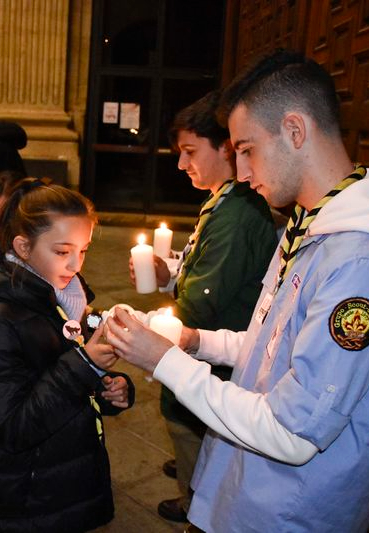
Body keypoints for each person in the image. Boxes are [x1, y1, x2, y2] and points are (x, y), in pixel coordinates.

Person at [105, 49, 369, 532]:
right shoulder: (310, 222)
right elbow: (275, 345)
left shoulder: (367, 263)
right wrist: (195, 342)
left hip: (289, 510)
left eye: (246, 149)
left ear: (294, 130)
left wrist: (164, 361)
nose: (241, 173)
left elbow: (293, 433)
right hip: (246, 486)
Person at [129, 91, 277, 523]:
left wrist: (164, 319)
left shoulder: (237, 215)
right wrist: (172, 275)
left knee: (191, 428)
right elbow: (209, 271)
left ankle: (195, 502)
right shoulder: (224, 203)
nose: (181, 164)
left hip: (217, 353)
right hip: (213, 345)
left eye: (190, 152)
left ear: (225, 148)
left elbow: (205, 301)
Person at [0, 179, 134, 531]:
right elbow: (13, 427)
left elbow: (59, 378)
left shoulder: (65, 299)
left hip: (60, 476)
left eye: (83, 250)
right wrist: (86, 366)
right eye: (62, 251)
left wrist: (109, 387)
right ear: (23, 246)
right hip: (26, 495)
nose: (75, 264)